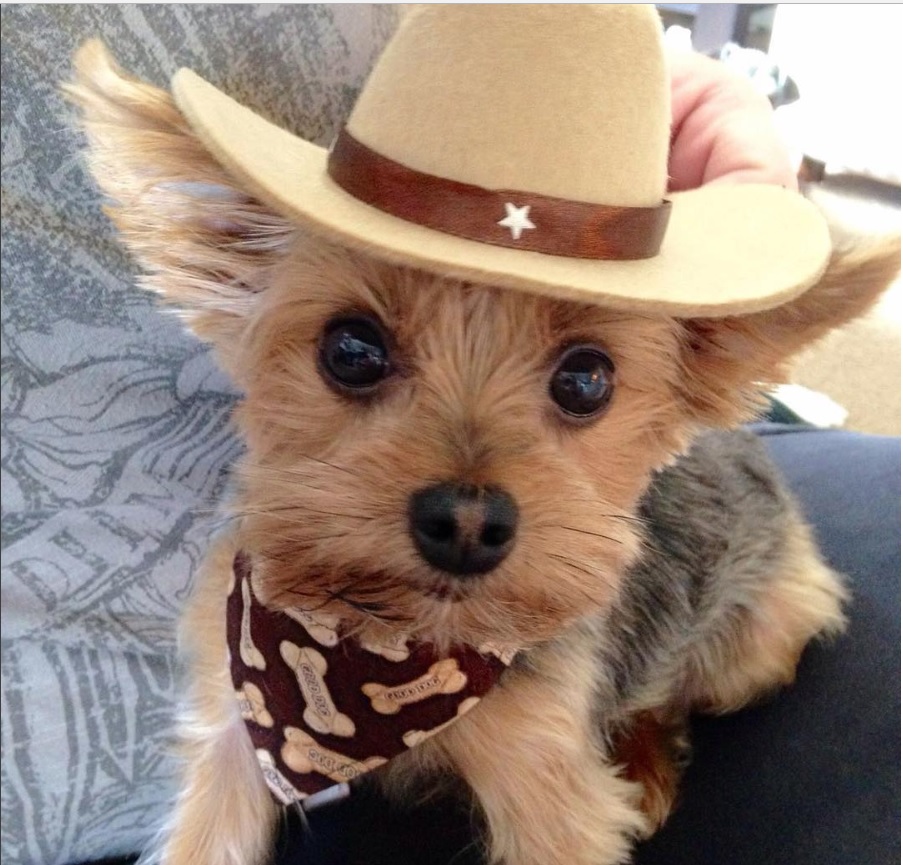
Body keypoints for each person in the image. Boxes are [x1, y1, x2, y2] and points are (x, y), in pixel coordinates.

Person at [273, 49, 900, 865]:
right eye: (359, 353)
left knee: (779, 628)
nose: (467, 501)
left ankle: (646, 715)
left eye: (580, 381)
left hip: (724, 578)